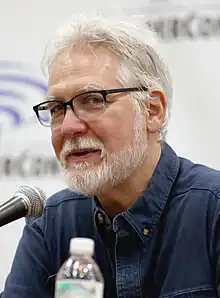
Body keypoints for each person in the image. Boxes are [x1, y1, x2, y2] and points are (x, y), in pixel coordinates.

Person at [1, 13, 220, 298]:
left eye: (93, 100)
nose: (68, 126)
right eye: (56, 108)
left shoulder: (212, 209)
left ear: (152, 110)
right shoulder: (50, 222)